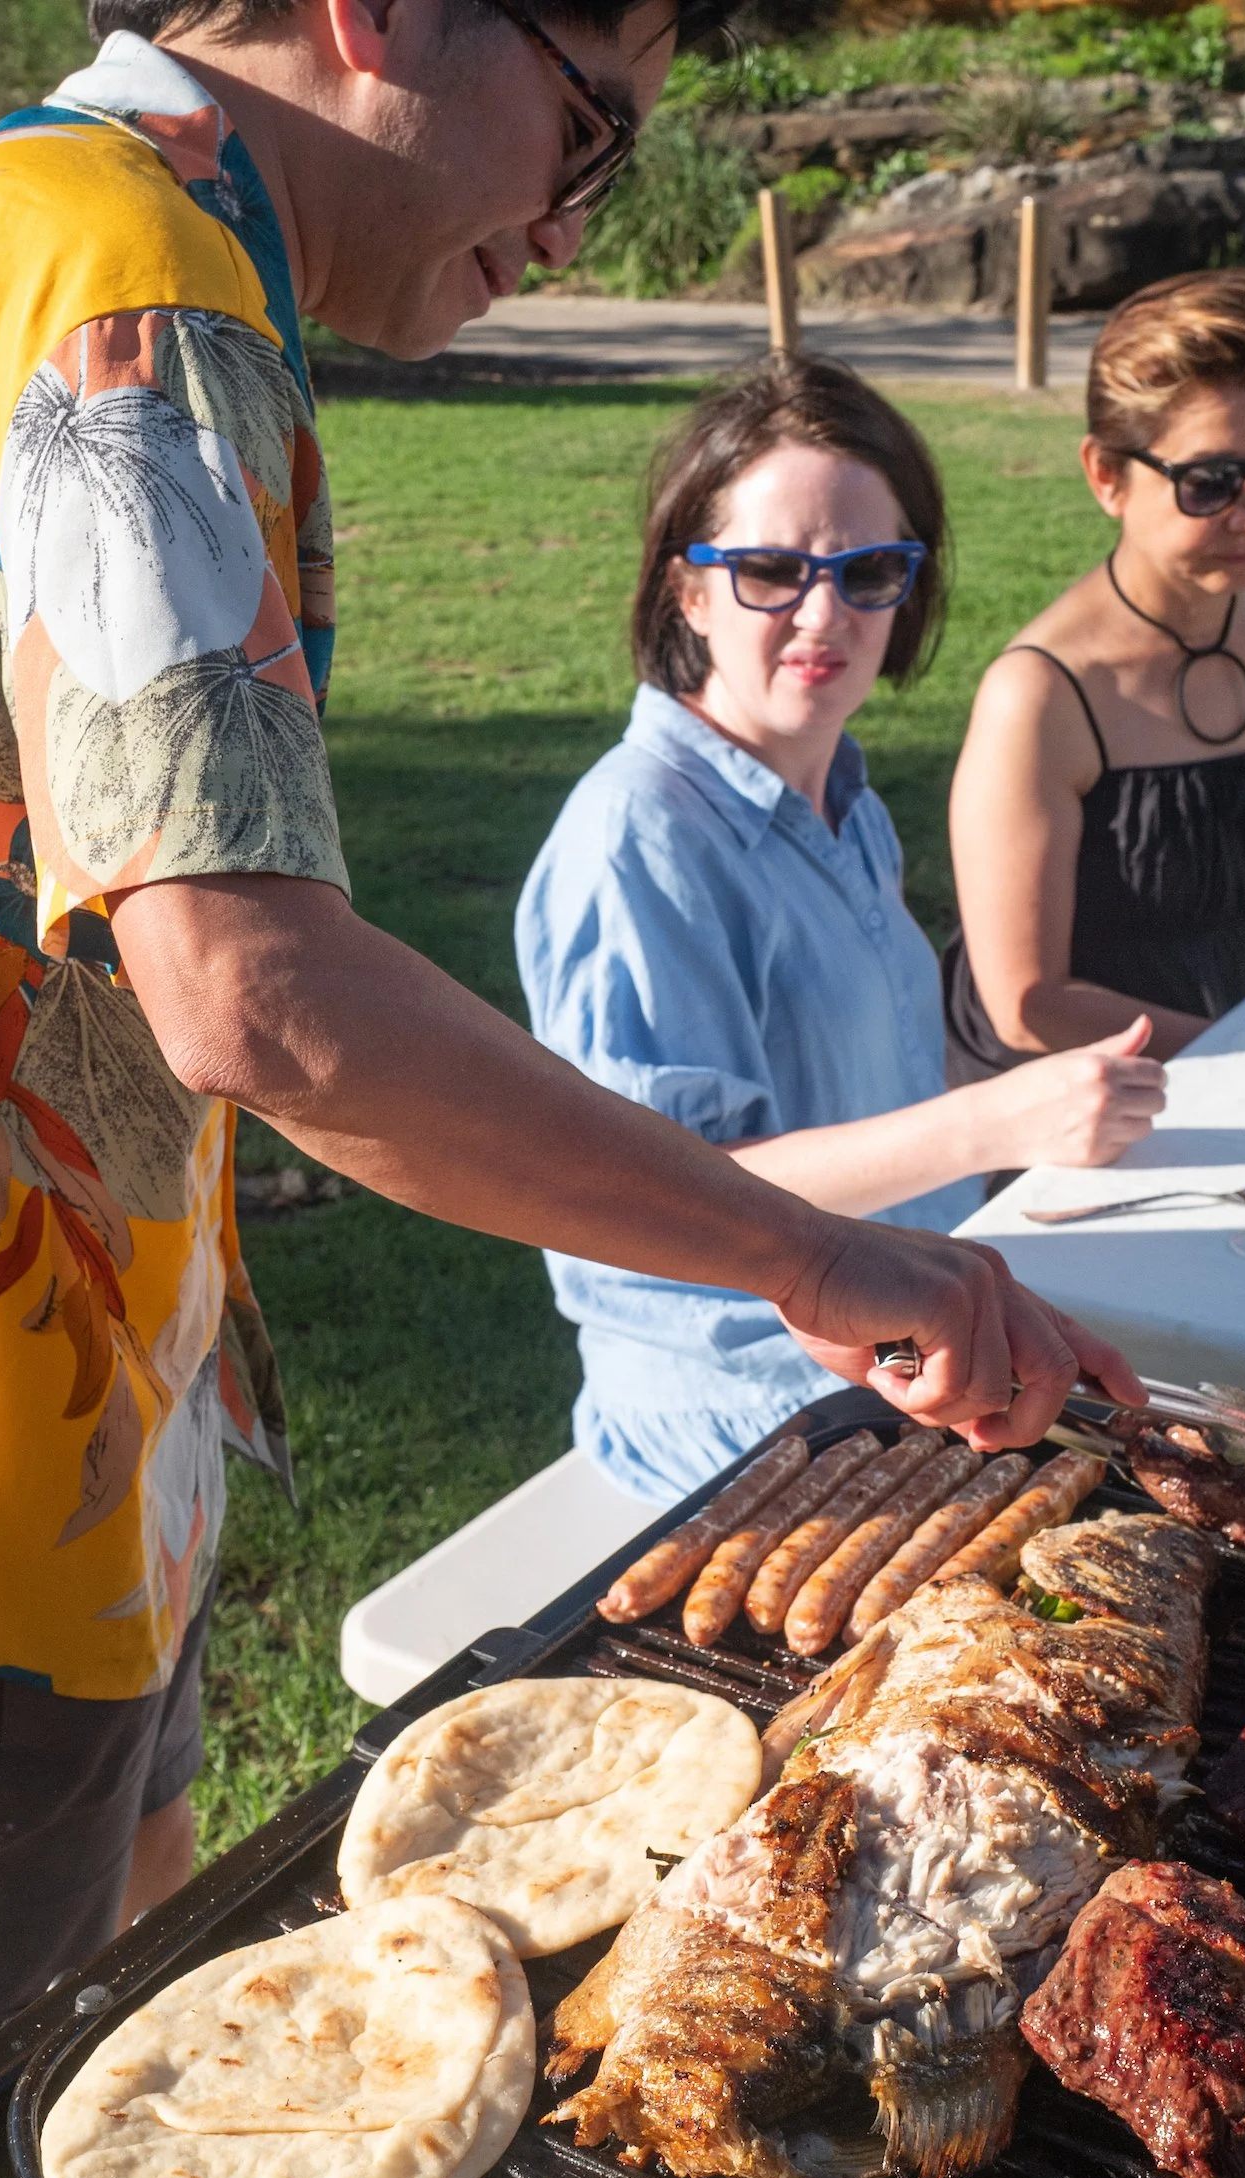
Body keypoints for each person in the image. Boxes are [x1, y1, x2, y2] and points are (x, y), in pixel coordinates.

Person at [0, 0, 1134, 2178]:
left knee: (142, 2006)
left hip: (28, 1383)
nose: (574, 224)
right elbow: (256, 997)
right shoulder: (130, 288)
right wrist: (804, 1253)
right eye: (587, 130)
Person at [518, 355, 1168, 1501]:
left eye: (868, 572)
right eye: (771, 570)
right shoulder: (638, 836)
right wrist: (992, 1121)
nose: (824, 614)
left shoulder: (841, 800)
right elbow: (652, 1193)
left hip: (916, 1349)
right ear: (687, 592)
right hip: (749, 1411)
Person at [941, 269, 1245, 1079]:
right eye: (1209, 483)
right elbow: (1029, 1004)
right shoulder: (1042, 694)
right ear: (1106, 474)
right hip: (1080, 1105)